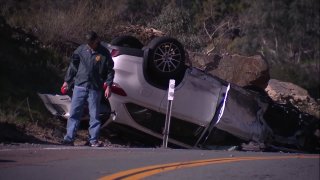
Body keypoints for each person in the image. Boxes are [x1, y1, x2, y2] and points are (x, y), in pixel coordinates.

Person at [61, 31, 114, 147]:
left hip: (95, 88)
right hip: (80, 85)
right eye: (88, 43)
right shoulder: (81, 50)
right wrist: (67, 81)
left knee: (94, 115)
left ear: (97, 40)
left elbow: (110, 70)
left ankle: (93, 140)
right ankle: (69, 138)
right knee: (74, 113)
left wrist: (108, 85)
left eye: (92, 42)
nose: (90, 45)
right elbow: (73, 65)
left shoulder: (104, 53)